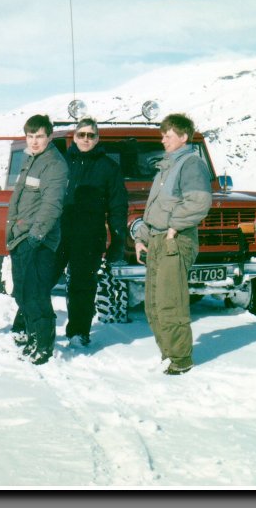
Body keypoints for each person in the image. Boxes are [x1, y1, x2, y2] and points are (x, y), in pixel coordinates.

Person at [134, 113, 212, 375]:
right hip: (157, 240)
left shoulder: (191, 164)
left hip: (175, 241)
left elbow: (198, 203)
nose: (163, 139)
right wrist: (141, 237)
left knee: (170, 302)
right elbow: (155, 208)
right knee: (153, 304)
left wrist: (173, 227)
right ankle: (168, 354)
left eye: (168, 135)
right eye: (163, 135)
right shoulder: (167, 166)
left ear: (183, 137)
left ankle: (181, 359)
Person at [53, 117, 128, 347]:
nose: (86, 139)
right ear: (74, 137)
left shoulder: (109, 168)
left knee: (82, 285)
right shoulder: (61, 163)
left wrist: (117, 242)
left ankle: (79, 332)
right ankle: (30, 325)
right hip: (58, 233)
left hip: (89, 235)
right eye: (81, 134)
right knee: (42, 279)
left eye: (91, 135)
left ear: (98, 138)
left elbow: (118, 207)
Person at [6, 114, 69, 365]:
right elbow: (20, 198)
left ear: (49, 136)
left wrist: (36, 236)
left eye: (39, 136)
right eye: (30, 136)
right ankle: (32, 337)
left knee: (36, 294)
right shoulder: (31, 159)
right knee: (23, 293)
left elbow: (52, 204)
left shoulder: (54, 164)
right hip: (21, 237)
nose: (34, 141)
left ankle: (43, 345)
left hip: (38, 240)